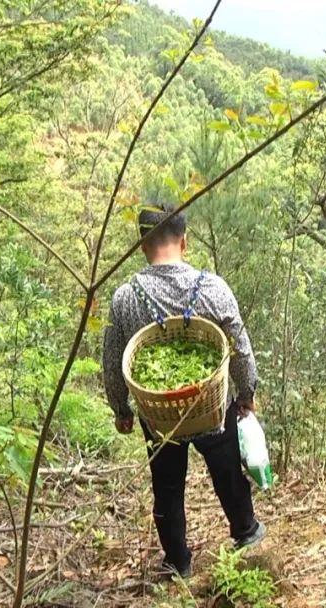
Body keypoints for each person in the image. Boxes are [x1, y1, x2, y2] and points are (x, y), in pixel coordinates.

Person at [101, 203, 265, 578]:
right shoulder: (213, 288)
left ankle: (178, 562)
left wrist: (121, 409)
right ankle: (245, 531)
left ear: (143, 245)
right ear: (184, 241)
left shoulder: (125, 298)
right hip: (209, 406)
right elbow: (240, 347)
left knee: (167, 484)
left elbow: (112, 360)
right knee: (227, 471)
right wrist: (246, 392)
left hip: (159, 417)